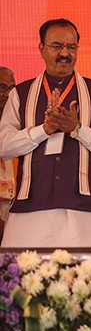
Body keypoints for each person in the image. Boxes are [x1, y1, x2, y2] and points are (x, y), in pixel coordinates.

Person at [0, 18, 91, 253]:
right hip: (30, 213)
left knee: (90, 275)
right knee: (20, 274)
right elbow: (4, 146)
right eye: (57, 46)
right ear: (41, 49)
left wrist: (77, 129)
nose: (65, 53)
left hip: (84, 214)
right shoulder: (20, 93)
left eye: (71, 47)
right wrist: (43, 130)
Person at [0, 67, 17, 238]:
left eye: (12, 88)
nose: (7, 94)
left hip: (14, 216)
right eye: (2, 87)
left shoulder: (21, 127)